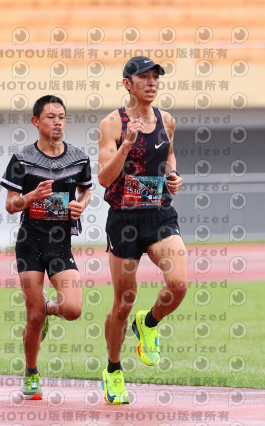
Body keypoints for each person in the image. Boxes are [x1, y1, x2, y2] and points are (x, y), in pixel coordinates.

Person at [97, 56, 188, 404]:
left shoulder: (167, 120)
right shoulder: (112, 123)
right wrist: (126, 143)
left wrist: (173, 176)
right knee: (123, 302)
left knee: (178, 285)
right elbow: (104, 178)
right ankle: (113, 370)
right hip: (124, 220)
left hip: (159, 214)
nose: (151, 83)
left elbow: (168, 156)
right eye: (144, 78)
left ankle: (148, 323)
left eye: (155, 78)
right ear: (127, 84)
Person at [1, 95, 92, 400]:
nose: (57, 122)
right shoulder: (22, 159)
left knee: (73, 309)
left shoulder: (79, 158)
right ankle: (31, 372)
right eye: (51, 117)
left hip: (60, 244)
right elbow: (11, 206)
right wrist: (32, 197)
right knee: (33, 315)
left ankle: (49, 308)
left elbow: (86, 191)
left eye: (62, 117)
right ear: (36, 121)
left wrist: (81, 205)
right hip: (30, 243)